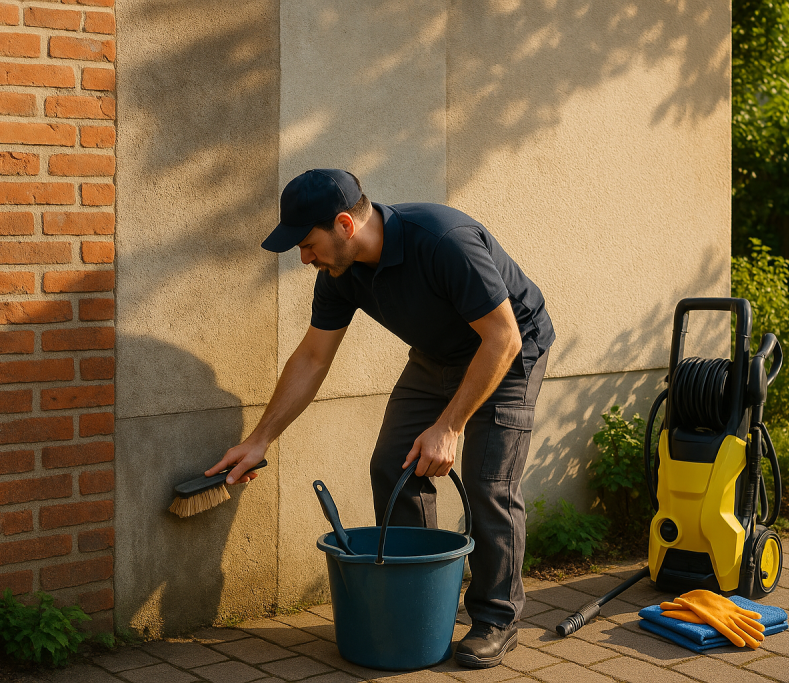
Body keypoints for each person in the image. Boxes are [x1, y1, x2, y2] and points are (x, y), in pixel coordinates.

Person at [205, 169, 556, 669]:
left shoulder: (442, 240)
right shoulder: (339, 275)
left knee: (487, 485)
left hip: (510, 349)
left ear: (345, 224)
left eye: (307, 244)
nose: (304, 259)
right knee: (394, 464)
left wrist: (449, 426)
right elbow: (311, 358)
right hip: (437, 355)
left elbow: (502, 338)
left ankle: (497, 618)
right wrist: (261, 438)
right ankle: (424, 597)